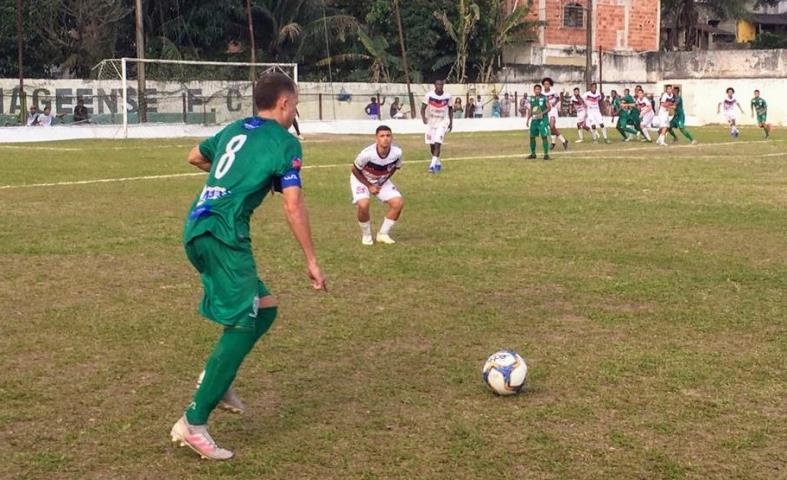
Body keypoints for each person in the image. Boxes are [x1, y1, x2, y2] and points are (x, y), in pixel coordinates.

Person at [170, 72, 327, 461]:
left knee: (266, 308)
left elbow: (195, 156)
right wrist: (311, 260)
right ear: (285, 103)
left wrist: (232, 179)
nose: (295, 112)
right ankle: (193, 422)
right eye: (296, 104)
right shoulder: (284, 142)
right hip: (225, 234)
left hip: (198, 226)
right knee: (243, 322)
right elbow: (293, 205)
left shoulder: (235, 128)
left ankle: (219, 380)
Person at [350, 125, 404, 245]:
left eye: (388, 135)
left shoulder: (397, 153)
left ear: (392, 137)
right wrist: (369, 186)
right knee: (363, 204)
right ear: (376, 139)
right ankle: (367, 236)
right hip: (361, 179)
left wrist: (383, 181)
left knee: (398, 203)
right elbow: (354, 170)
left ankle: (383, 234)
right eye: (382, 136)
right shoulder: (367, 154)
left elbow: (395, 168)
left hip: (380, 180)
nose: (385, 138)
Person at [420, 79, 452, 173]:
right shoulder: (429, 95)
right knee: (432, 145)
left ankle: (432, 166)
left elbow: (450, 109)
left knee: (438, 143)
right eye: (438, 84)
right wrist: (423, 118)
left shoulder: (448, 96)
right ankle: (438, 163)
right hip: (431, 122)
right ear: (435, 85)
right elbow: (422, 108)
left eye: (441, 84)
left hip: (442, 122)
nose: (440, 86)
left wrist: (451, 122)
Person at [525, 83, 551, 160]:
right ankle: (533, 154)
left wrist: (542, 113)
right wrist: (527, 119)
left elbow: (549, 108)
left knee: (544, 136)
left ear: (540, 90)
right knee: (532, 136)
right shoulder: (531, 98)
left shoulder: (544, 98)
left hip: (543, 119)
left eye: (538, 89)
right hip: (534, 119)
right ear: (534, 90)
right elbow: (530, 110)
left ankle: (546, 155)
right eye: (536, 89)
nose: (537, 91)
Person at [541, 77, 568, 150]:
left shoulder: (553, 92)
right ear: (543, 85)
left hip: (553, 110)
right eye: (545, 84)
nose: (546, 85)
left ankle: (560, 141)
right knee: (552, 128)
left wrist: (554, 104)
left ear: (550, 85)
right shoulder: (542, 93)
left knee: (552, 126)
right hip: (546, 111)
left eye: (548, 84)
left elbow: (558, 98)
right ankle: (559, 142)